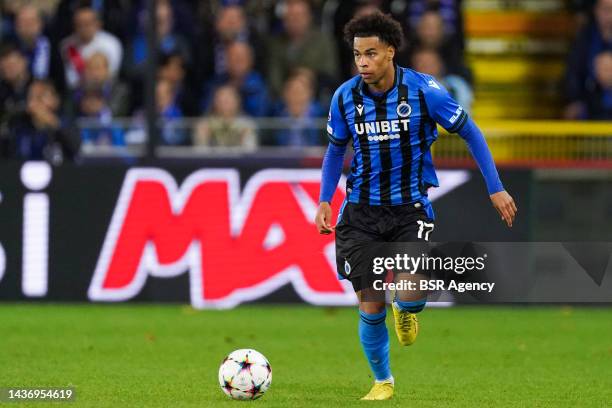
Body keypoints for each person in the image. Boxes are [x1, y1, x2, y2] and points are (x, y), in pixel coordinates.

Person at [314, 11, 517, 400]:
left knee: (408, 293)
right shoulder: (345, 97)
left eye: (371, 54)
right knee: (370, 302)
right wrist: (325, 198)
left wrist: (496, 187)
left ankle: (406, 310)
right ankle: (382, 381)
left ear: (391, 52)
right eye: (357, 54)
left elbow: (470, 132)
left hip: (410, 208)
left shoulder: (426, 92)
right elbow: (335, 148)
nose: (363, 63)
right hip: (360, 212)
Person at [563, 0, 612, 119]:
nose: (610, 15)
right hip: (591, 106)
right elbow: (572, 75)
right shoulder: (584, 39)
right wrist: (574, 101)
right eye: (606, 9)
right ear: (596, 11)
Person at [60, 5, 123, 89]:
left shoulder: (111, 43)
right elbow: (71, 79)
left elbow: (112, 74)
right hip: (78, 92)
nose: (83, 28)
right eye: (79, 24)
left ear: (98, 24)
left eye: (87, 24)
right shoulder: (67, 46)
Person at [273, 68, 325, 146]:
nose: (296, 97)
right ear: (285, 94)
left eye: (300, 92)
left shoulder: (322, 120)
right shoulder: (274, 120)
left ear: (309, 94)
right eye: (293, 92)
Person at [194, 85, 257, 149]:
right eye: (221, 100)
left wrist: (245, 138)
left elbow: (250, 153)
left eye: (228, 100)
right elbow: (200, 153)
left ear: (237, 102)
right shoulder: (204, 124)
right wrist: (203, 139)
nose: (224, 103)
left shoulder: (246, 124)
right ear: (214, 102)